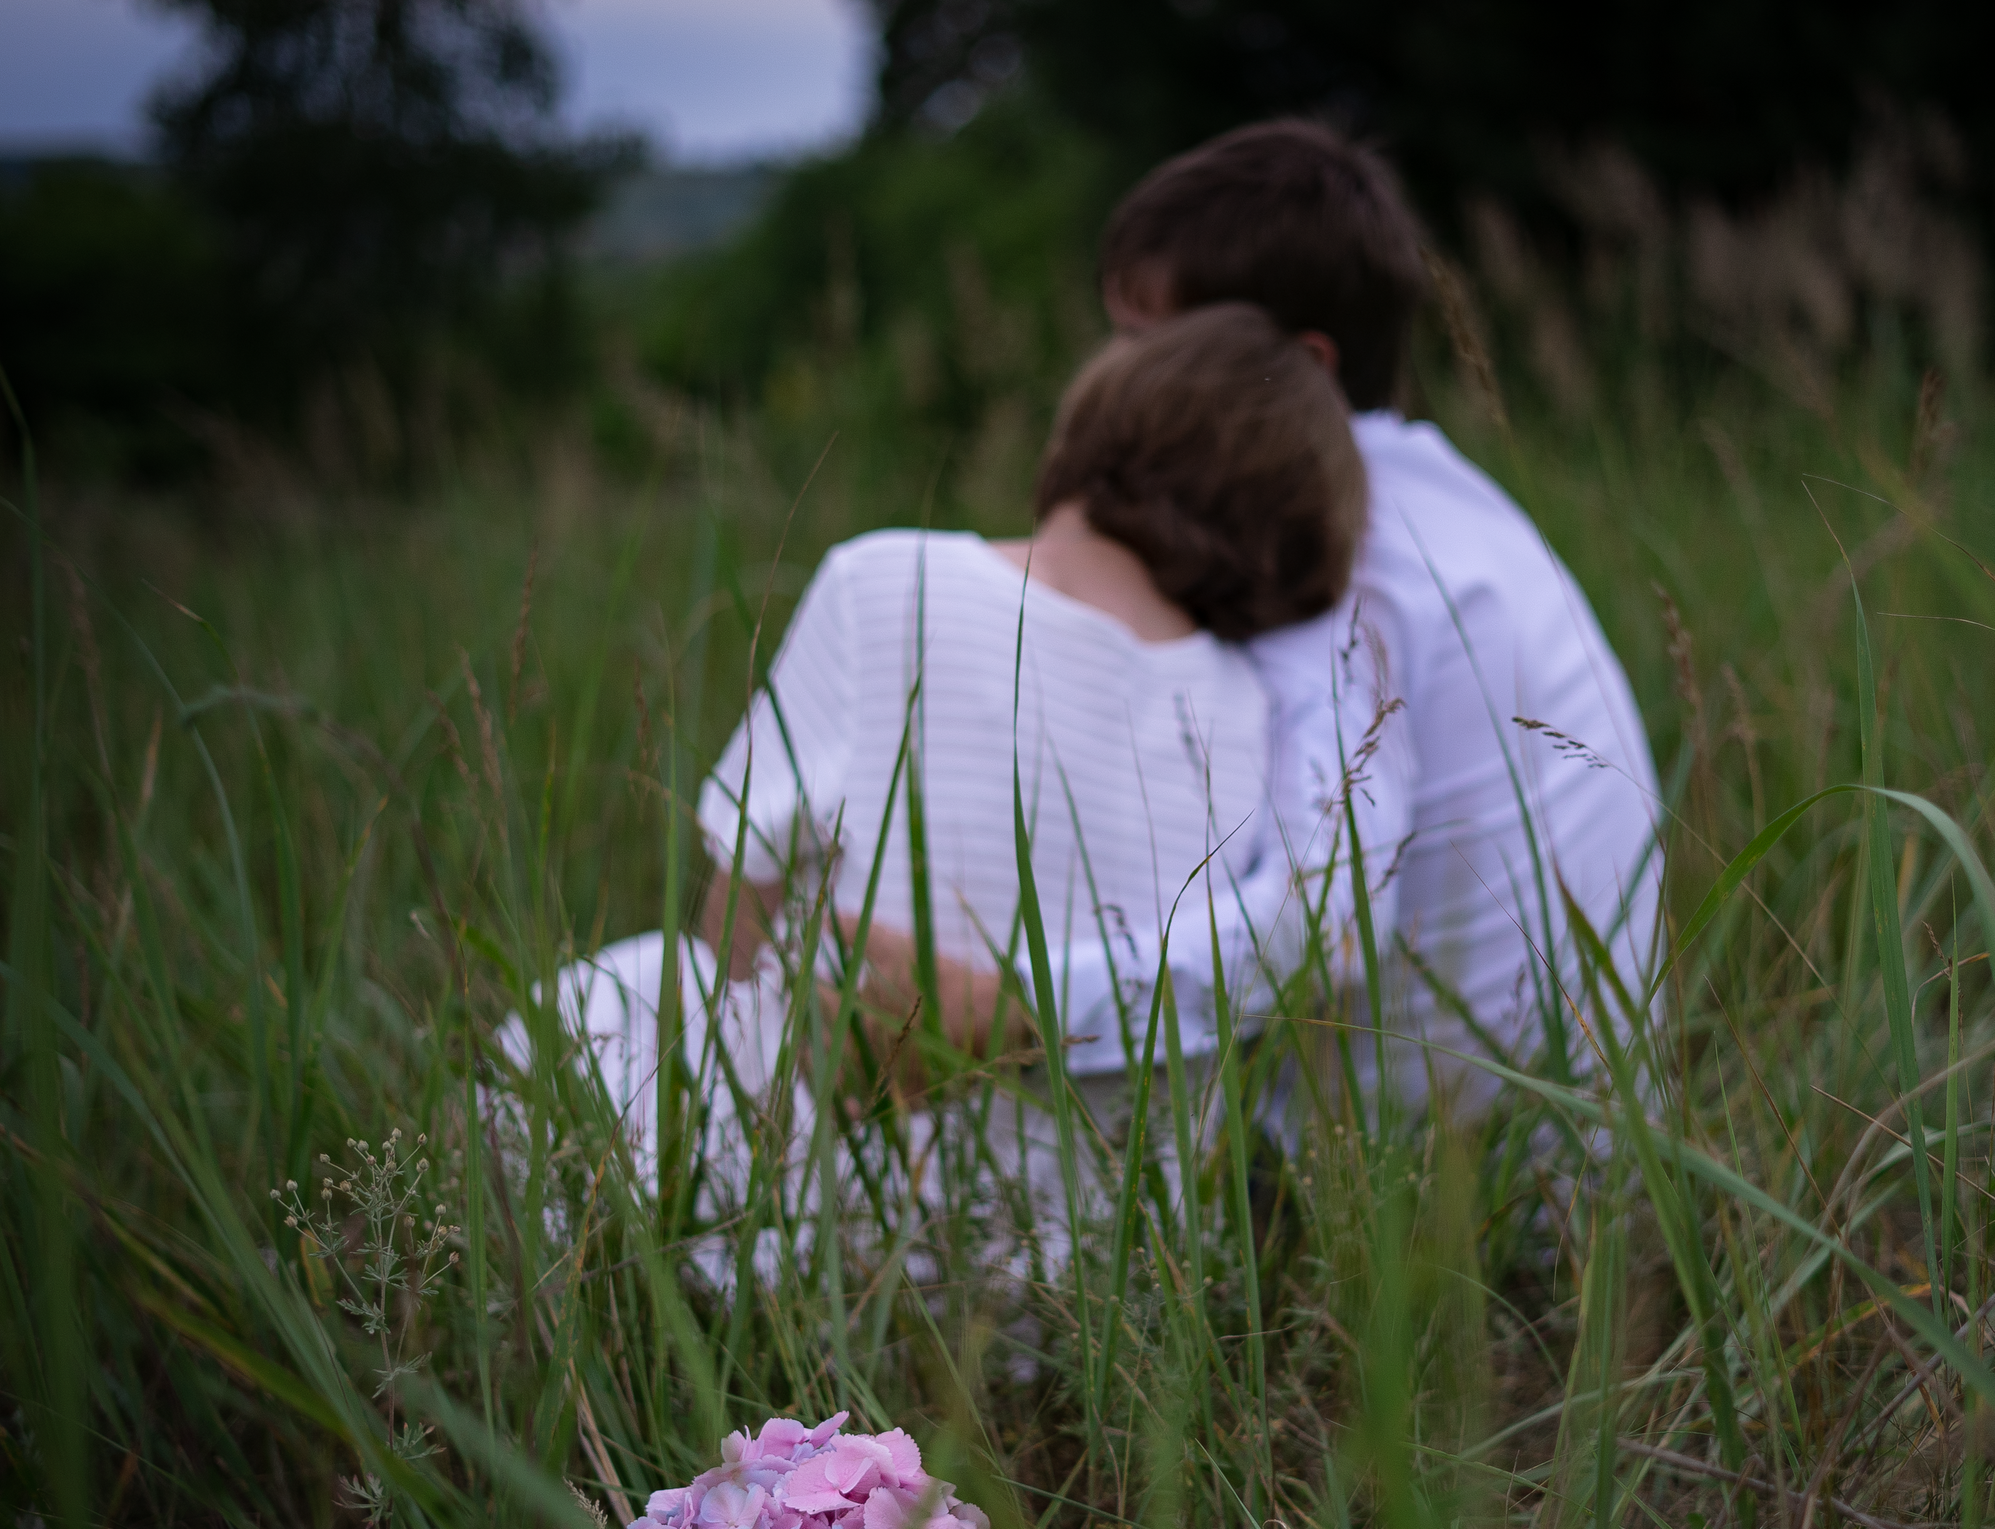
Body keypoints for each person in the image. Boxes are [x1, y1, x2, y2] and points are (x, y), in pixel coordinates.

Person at [801, 120, 1666, 1112]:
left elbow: (1328, 924)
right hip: (1576, 1132)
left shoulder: (1337, 558)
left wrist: (1007, 1006)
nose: (1114, 373)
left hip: (1442, 1172)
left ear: (1302, 366)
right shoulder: (1455, 505)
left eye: (1148, 343)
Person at [505, 303, 1366, 1272]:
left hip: (841, 1233)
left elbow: (734, 922)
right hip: (1096, 1263)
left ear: (1095, 428)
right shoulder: (1254, 708)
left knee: (613, 993)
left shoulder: (885, 581)